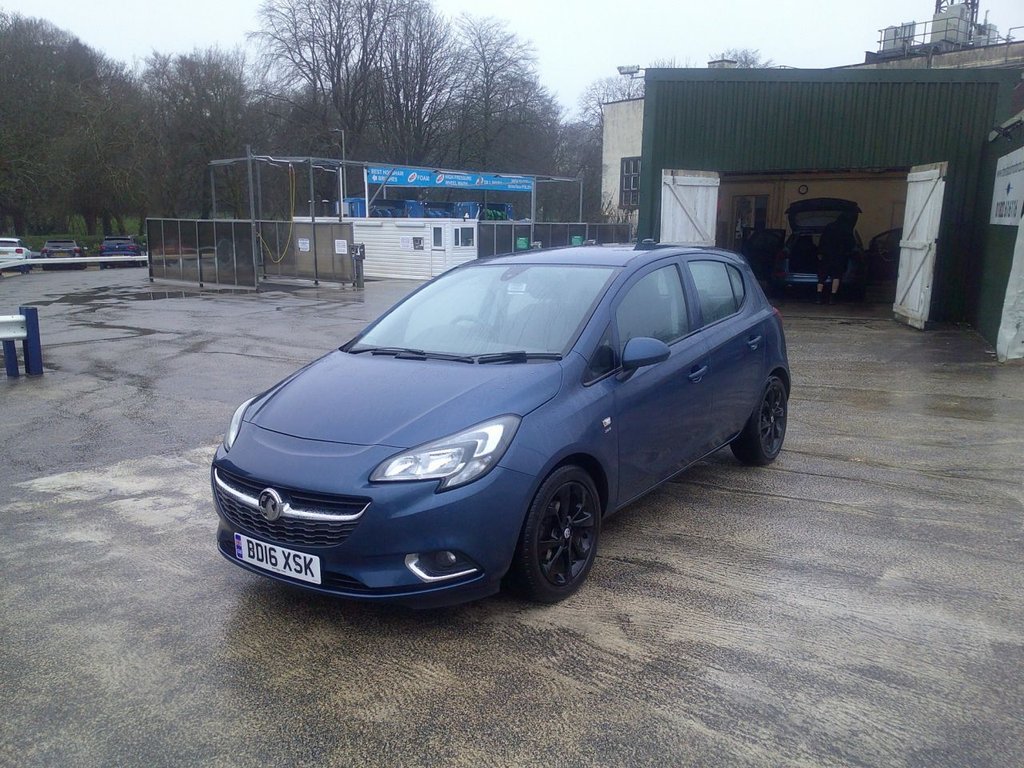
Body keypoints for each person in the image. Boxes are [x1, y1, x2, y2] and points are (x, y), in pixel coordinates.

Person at [817, 211, 857, 304]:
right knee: (836, 276)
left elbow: (822, 240)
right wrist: (849, 252)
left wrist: (820, 252)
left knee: (822, 276)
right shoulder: (847, 229)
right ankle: (832, 297)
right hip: (839, 256)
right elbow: (851, 244)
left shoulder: (829, 227)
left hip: (826, 255)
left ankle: (818, 297)